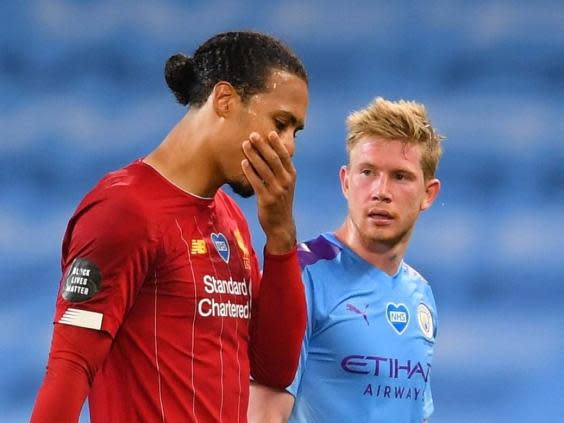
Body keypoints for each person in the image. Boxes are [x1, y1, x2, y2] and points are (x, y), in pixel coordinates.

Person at [30, 30, 308, 423]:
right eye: (281, 123)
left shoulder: (231, 221)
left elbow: (274, 370)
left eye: (295, 132)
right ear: (225, 100)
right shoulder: (123, 209)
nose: (289, 145)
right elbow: (70, 365)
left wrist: (281, 236)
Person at [248, 97, 443, 423]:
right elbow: (262, 415)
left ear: (428, 193)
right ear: (346, 180)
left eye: (400, 176)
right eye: (368, 172)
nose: (381, 191)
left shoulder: (421, 294)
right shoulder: (299, 277)